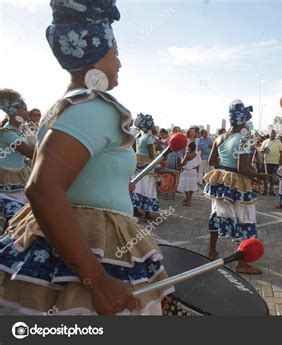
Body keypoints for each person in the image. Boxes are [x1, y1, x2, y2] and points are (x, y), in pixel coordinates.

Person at [0, 1, 173, 315]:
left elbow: (72, 175)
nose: (119, 63)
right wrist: (96, 279)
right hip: (90, 246)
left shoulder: (63, 106)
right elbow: (42, 187)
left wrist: (117, 186)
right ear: (94, 57)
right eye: (115, 53)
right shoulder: (96, 107)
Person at [204, 99, 269, 274]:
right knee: (246, 220)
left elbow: (212, 162)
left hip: (221, 182)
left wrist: (225, 170)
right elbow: (243, 167)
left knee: (218, 214)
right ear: (244, 121)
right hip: (239, 184)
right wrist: (260, 175)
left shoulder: (220, 137)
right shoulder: (246, 138)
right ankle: (242, 263)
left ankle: (211, 251)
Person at [0, 89, 34, 229]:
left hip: (16, 184)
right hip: (7, 186)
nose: (27, 112)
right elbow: (29, 153)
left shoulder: (18, 131)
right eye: (24, 109)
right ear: (15, 112)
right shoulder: (8, 133)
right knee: (17, 221)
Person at [131, 113, 159, 222]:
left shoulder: (138, 136)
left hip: (137, 166)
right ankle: (147, 215)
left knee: (137, 188)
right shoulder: (149, 138)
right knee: (148, 189)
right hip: (147, 168)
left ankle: (135, 211)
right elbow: (152, 155)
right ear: (148, 125)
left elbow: (134, 150)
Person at [261, 129, 282, 196]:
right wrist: (264, 150)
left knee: (273, 177)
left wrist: (281, 160)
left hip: (275, 162)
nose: (272, 134)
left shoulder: (278, 142)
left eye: (274, 133)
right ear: (269, 134)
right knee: (266, 177)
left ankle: (271, 190)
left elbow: (281, 151)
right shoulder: (265, 141)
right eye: (271, 133)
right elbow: (261, 150)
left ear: (275, 134)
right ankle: (265, 190)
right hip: (267, 162)